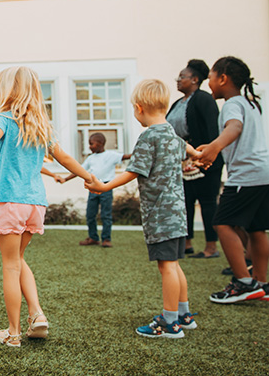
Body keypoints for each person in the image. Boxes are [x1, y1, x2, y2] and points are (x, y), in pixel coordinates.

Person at [0, 67, 96, 347]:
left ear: (7, 91)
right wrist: (88, 177)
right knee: (18, 259)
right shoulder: (40, 125)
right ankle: (37, 314)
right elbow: (64, 157)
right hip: (35, 205)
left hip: (10, 201)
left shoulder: (2, 118)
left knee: (10, 266)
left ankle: (13, 333)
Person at [88, 80, 199, 338]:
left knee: (167, 267)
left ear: (139, 108)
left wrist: (104, 187)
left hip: (160, 215)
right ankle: (184, 314)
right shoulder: (172, 134)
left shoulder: (148, 136)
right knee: (174, 264)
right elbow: (188, 149)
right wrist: (199, 155)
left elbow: (132, 172)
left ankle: (169, 322)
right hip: (177, 214)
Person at [196, 56, 269, 303]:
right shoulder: (250, 103)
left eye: (211, 78)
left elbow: (234, 128)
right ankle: (261, 283)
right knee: (256, 228)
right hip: (263, 172)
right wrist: (214, 147)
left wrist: (215, 147)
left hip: (245, 175)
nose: (209, 84)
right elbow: (238, 136)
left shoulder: (231, 104)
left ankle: (243, 283)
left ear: (223, 78)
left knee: (222, 222)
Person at [167, 59, 223, 258]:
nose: (178, 80)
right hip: (182, 162)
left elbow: (213, 130)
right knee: (185, 202)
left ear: (195, 79)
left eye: (182, 77)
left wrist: (207, 157)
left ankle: (211, 247)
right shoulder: (177, 103)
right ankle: (187, 243)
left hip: (203, 158)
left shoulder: (204, 99)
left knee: (207, 203)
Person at [63, 132, 130, 248]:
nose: (89, 146)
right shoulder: (91, 158)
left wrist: (142, 152)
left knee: (106, 215)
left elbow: (126, 156)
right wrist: (65, 179)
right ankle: (93, 237)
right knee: (90, 214)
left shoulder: (111, 155)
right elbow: (79, 170)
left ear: (100, 144)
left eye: (91, 144)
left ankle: (106, 239)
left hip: (107, 188)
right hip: (93, 188)